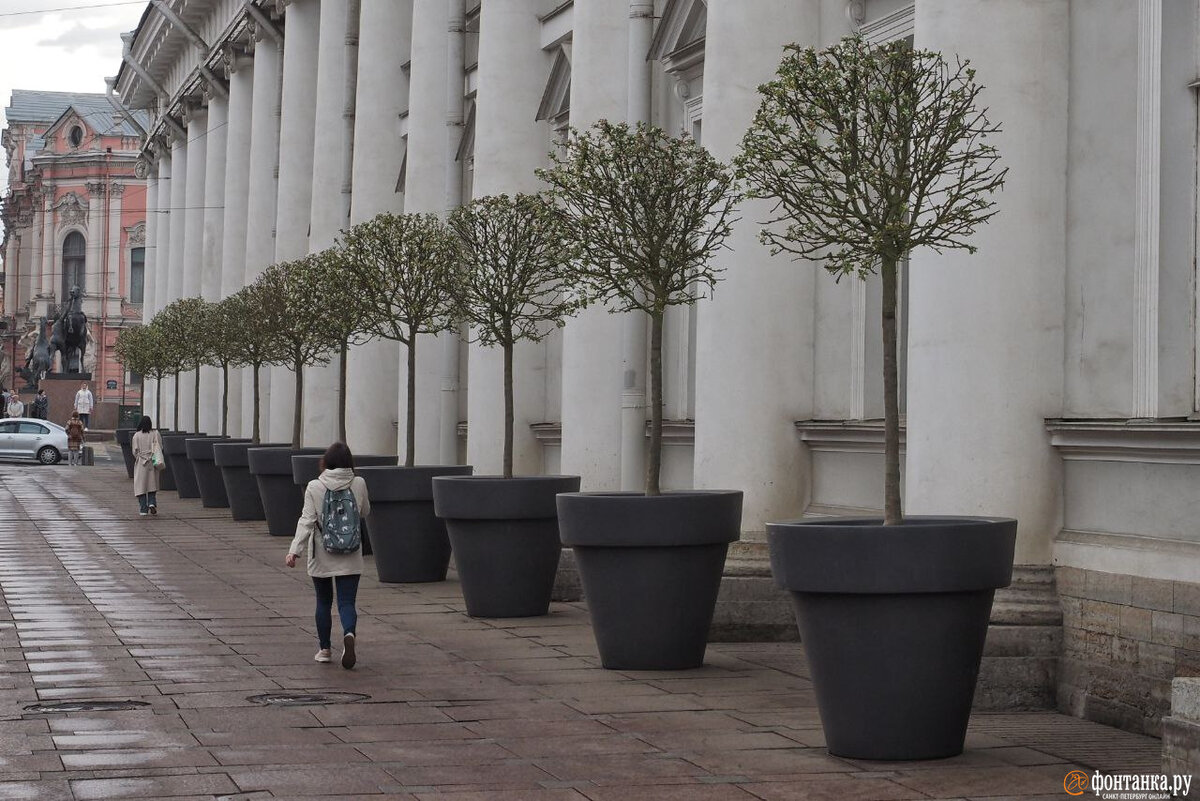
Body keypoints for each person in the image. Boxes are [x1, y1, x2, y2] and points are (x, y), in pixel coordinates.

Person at [285, 442, 370, 669]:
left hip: (322, 553)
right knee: (346, 602)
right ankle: (349, 633)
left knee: (323, 601)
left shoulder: (315, 486)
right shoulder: (359, 483)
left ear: (326, 461)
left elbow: (307, 520)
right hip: (351, 553)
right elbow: (365, 512)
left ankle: (324, 649)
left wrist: (295, 550)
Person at [130, 415, 160, 516]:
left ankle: (143, 508)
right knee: (152, 485)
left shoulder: (137, 435)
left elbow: (134, 451)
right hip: (152, 461)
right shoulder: (155, 434)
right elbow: (159, 446)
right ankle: (152, 503)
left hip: (141, 462)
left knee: (140, 486)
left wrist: (140, 457)